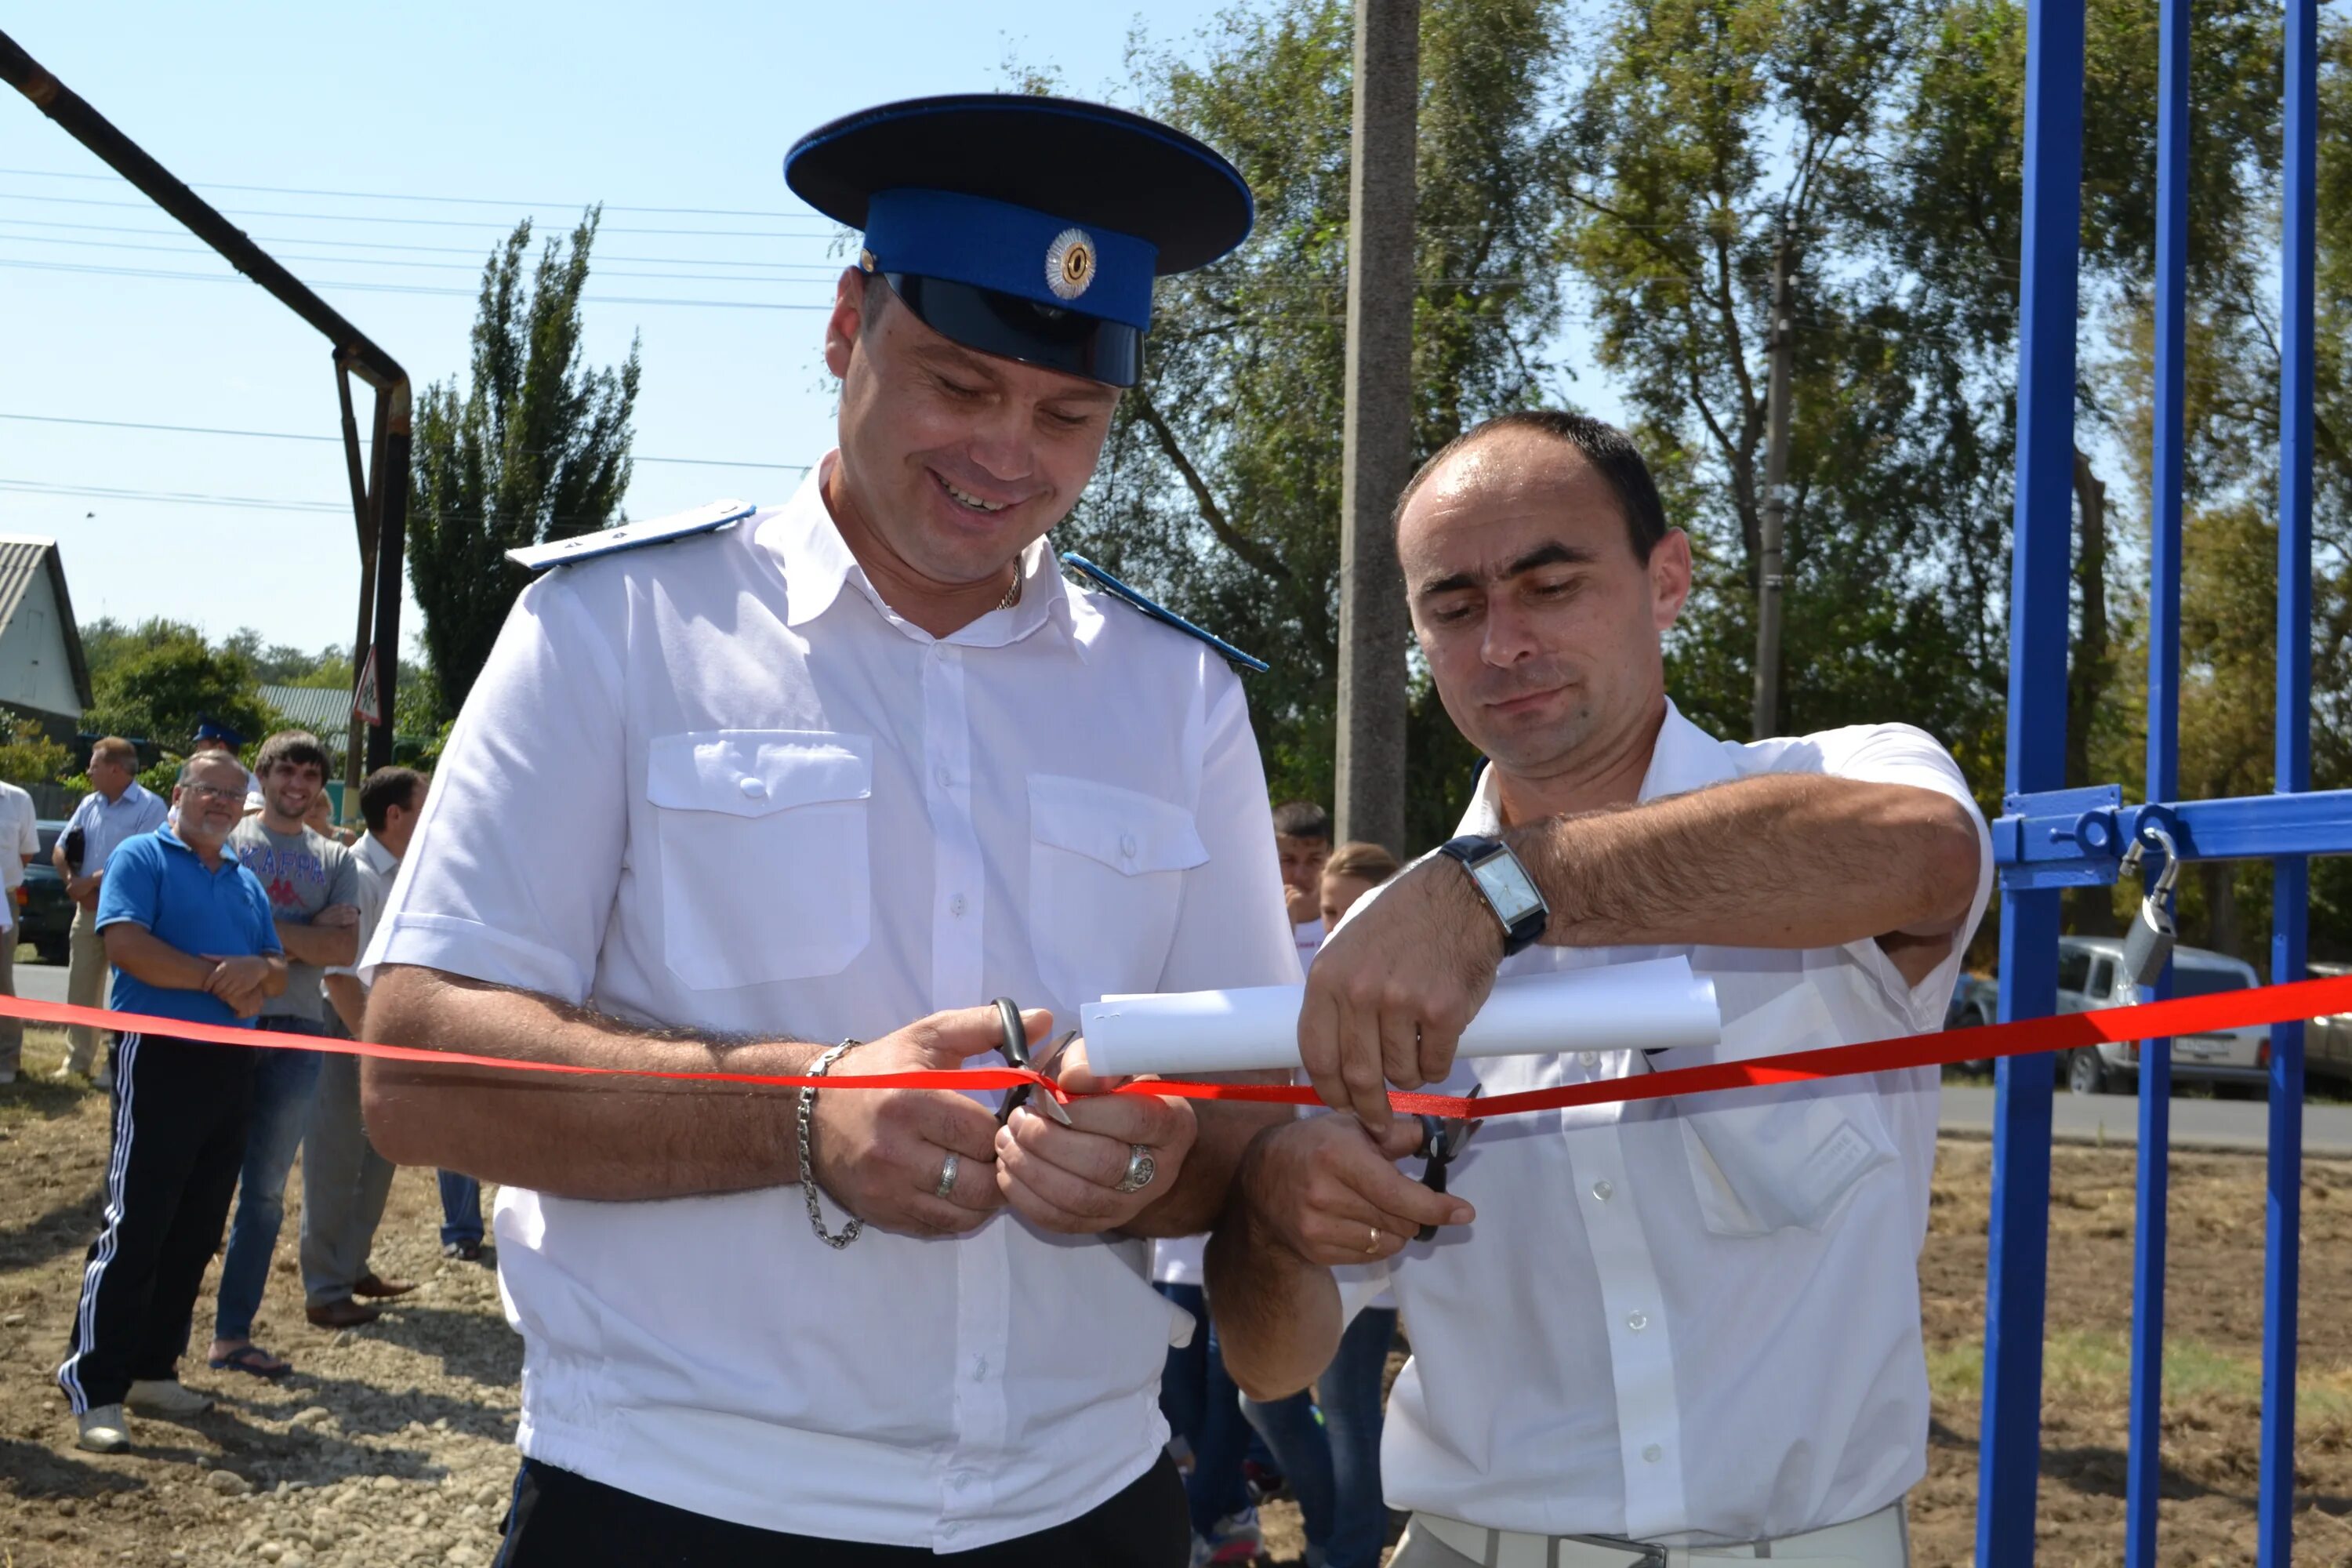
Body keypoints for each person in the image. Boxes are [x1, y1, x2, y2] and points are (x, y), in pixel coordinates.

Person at [358, 95, 1299, 1567]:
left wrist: (1153, 1161)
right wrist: (799, 1113)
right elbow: (413, 1066)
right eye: (958, 383)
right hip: (681, 1508)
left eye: (1070, 415)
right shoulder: (617, 629)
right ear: (848, 323)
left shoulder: (1175, 697)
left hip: (1087, 1507)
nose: (1008, 455)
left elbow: (1245, 1108)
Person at [1208, 411, 1993, 1567]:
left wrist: (1508, 888)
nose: (1503, 643)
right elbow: (1271, 1363)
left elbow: (1931, 859)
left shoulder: (1846, 778)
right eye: (1455, 607)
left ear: (1665, 579)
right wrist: (1271, 1216)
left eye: (1550, 584)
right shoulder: (1379, 946)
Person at [54, 750, 285, 1452]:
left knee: (196, 1225)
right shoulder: (139, 857)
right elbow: (126, 947)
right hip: (158, 1060)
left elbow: (275, 970)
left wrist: (258, 972)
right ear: (180, 793)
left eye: (231, 794)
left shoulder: (246, 882)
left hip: (231, 1068)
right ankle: (94, 1385)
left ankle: (154, 1368)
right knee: (138, 1222)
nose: (219, 802)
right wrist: (220, 977)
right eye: (207, 790)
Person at [207, 730, 375, 1378]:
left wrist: (265, 937)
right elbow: (212, 929)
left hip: (297, 1033)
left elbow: (340, 952)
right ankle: (152, 1338)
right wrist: (303, 935)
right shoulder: (227, 841)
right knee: (197, 1182)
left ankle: (231, 1335)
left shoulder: (336, 859)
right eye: (287, 773)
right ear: (264, 775)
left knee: (267, 1196)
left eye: (311, 776)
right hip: (222, 1025)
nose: (298, 786)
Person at [305, 766, 427, 1325]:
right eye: (425, 806)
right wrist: (373, 1047)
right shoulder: (357, 873)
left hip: (382, 1033)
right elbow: (339, 975)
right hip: (349, 1028)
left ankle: (352, 1267)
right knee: (336, 1161)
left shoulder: (408, 871)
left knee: (379, 1157)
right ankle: (325, 1290)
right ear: (395, 815)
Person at [56, 737, 169, 1083]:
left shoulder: (151, 807)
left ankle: (116, 1064)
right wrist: (73, 883)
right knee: (81, 986)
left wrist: (88, 883)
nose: (88, 770)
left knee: (128, 990)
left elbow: (140, 859)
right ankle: (77, 1061)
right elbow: (61, 847)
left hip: (130, 914)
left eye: (94, 764)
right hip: (88, 910)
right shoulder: (90, 803)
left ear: (116, 769)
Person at [0, 771, 39, 1084]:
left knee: (1, 980)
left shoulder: (16, 799)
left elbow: (25, 852)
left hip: (3, 898)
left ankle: (7, 1059)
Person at [1273, 802, 1333, 969]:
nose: (1300, 874)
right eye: (1288, 860)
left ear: (1330, 856)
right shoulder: (1253, 924)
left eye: (1314, 860)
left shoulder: (1347, 919)